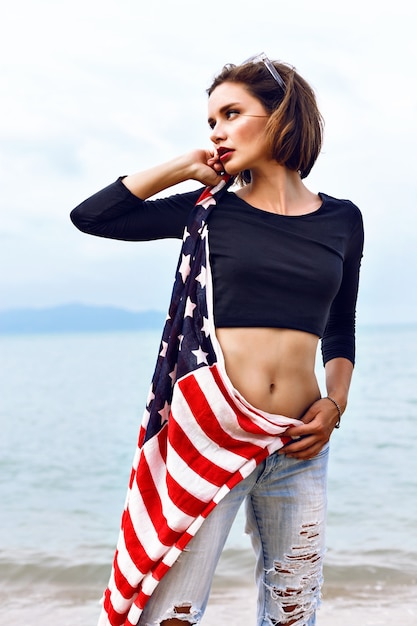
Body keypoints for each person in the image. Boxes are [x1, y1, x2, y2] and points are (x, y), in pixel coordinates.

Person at [70, 53, 364, 626]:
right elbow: (93, 217)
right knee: (170, 614)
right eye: (210, 122)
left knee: (293, 614)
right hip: (210, 432)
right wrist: (185, 165)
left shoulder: (343, 219)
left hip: (298, 444)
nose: (218, 132)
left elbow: (341, 324)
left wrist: (336, 404)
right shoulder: (209, 213)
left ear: (281, 116)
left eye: (232, 113)